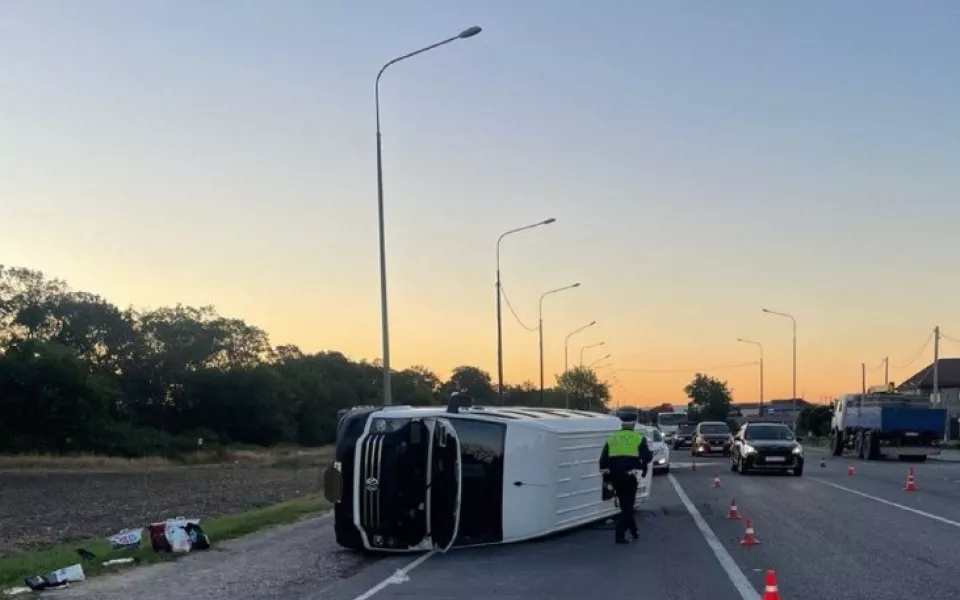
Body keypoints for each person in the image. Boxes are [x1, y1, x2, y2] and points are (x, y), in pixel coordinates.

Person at [599, 412, 653, 544]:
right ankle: (620, 536)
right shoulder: (638, 438)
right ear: (634, 424)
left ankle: (634, 531)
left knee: (625, 506)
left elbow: (603, 461)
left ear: (621, 423)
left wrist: (608, 474)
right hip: (630, 477)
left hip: (615, 477)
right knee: (628, 508)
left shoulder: (612, 438)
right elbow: (647, 457)